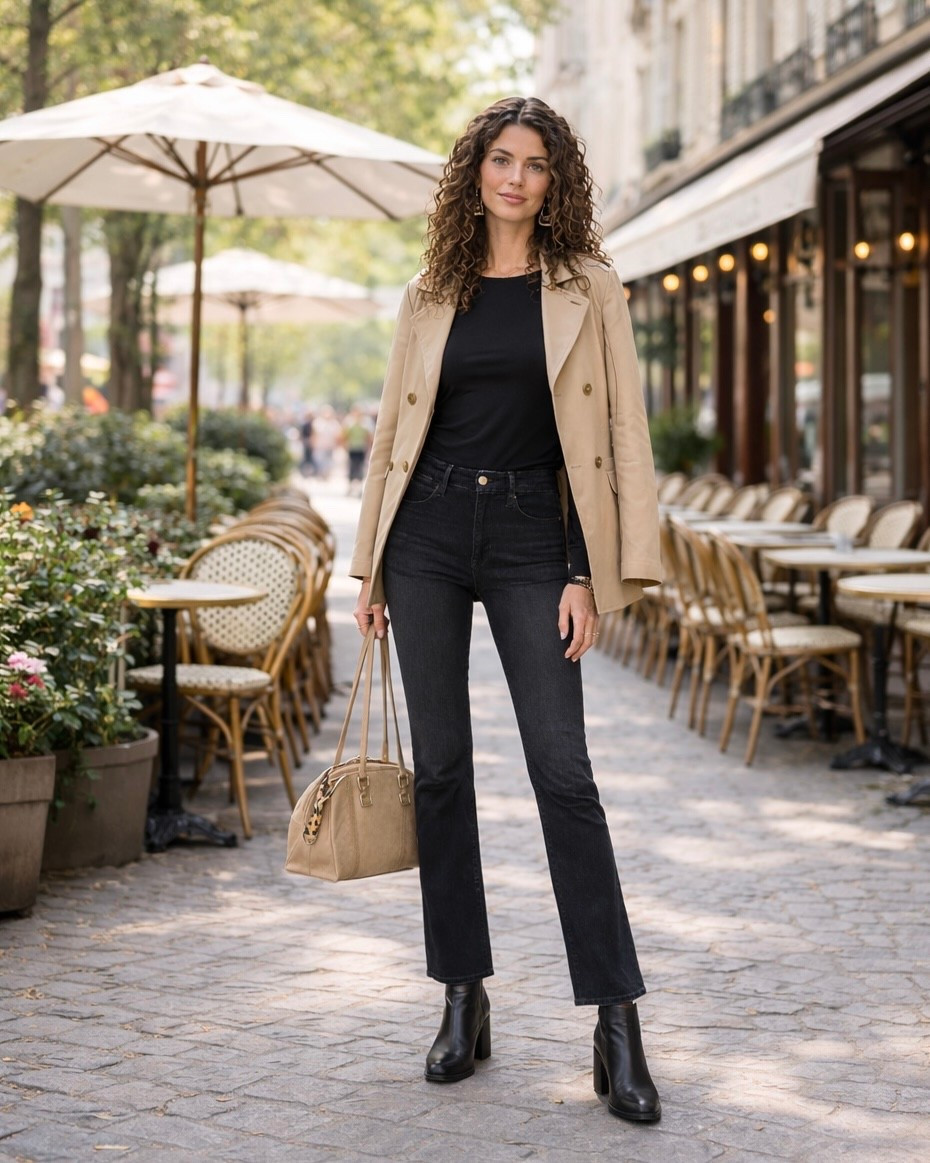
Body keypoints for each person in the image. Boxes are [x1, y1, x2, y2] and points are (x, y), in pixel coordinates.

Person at [350, 96, 663, 1123]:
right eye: (499, 159)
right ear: (474, 172)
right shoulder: (429, 289)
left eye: (533, 163)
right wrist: (369, 565)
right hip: (428, 536)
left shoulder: (590, 289)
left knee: (563, 772)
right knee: (440, 770)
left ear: (555, 178)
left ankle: (616, 1019)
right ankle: (461, 992)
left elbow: (617, 440)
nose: (515, 177)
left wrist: (592, 572)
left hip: (538, 539)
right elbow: (393, 436)